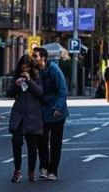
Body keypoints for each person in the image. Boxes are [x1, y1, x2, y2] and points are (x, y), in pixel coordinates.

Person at [6, 54, 43, 183]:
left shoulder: (37, 77)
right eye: (23, 68)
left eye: (27, 68)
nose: (25, 71)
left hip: (34, 116)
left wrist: (29, 81)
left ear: (31, 68)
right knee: (16, 143)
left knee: (32, 147)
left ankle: (32, 172)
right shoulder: (17, 77)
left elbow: (40, 92)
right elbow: (9, 93)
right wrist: (16, 85)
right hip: (19, 116)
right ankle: (17, 171)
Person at [34, 47, 68, 181]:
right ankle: (44, 167)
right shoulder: (35, 71)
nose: (33, 58)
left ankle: (53, 170)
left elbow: (63, 90)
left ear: (43, 58)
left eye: (35, 56)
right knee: (41, 141)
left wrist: (58, 107)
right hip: (42, 111)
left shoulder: (54, 70)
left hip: (57, 112)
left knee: (55, 142)